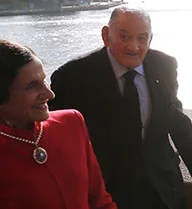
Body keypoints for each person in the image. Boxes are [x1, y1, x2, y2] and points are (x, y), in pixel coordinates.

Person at [49, 6, 192, 209]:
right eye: (124, 36)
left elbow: (174, 115)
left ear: (150, 39)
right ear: (106, 35)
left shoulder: (163, 64)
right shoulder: (72, 75)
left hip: (162, 184)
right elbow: (59, 135)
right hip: (108, 187)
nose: (134, 46)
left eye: (142, 38)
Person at [0, 40, 116, 209]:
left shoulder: (71, 123)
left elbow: (100, 201)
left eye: (44, 81)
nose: (49, 93)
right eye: (32, 86)